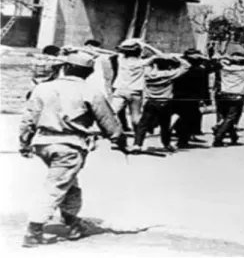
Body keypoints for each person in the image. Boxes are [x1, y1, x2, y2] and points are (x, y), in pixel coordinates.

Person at [18, 51, 127, 247]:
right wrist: (118, 139)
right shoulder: (90, 91)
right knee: (55, 187)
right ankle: (34, 230)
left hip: (43, 144)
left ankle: (72, 222)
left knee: (69, 184)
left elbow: (29, 118)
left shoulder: (43, 88)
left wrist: (24, 142)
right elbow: (108, 120)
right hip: (70, 146)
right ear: (89, 72)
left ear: (66, 67)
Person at [131, 55, 191, 153]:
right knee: (165, 126)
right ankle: (166, 144)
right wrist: (175, 58)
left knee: (143, 125)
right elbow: (186, 66)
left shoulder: (148, 74)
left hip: (150, 102)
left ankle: (137, 144)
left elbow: (143, 64)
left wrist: (152, 58)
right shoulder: (169, 74)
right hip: (165, 102)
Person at [213, 56, 244, 147]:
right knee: (230, 118)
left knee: (226, 118)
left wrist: (226, 57)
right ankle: (218, 137)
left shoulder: (224, 68)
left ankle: (233, 136)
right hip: (236, 95)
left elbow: (216, 59)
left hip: (223, 94)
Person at [110, 39, 155, 134]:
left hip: (120, 90)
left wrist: (129, 43)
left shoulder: (121, 60)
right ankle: (138, 136)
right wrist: (147, 46)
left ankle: (115, 132)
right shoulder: (142, 62)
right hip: (135, 92)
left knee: (111, 113)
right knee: (135, 117)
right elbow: (160, 55)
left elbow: (117, 51)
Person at [172, 49, 214, 148]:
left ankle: (182, 136)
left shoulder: (179, 68)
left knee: (184, 117)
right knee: (189, 118)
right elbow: (203, 86)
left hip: (177, 95)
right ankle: (183, 140)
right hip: (192, 98)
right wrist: (207, 100)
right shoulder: (200, 70)